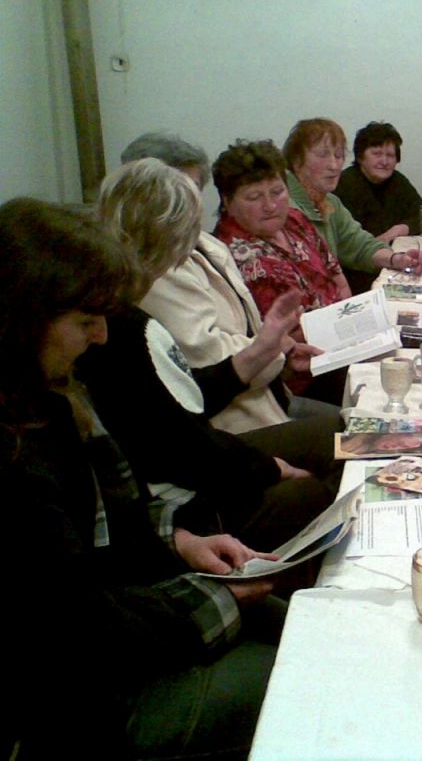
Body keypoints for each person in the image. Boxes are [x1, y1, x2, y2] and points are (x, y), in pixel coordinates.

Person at [1, 198, 279, 759]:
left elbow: (109, 525)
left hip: (114, 633)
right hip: (82, 704)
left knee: (296, 623)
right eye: (85, 321)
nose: (102, 336)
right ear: (24, 321)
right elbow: (81, 630)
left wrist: (181, 542)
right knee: (302, 677)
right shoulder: (15, 459)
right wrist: (220, 601)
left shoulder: (48, 397)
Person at [84, 159, 345, 553]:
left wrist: (268, 346)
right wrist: (268, 466)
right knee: (332, 472)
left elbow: (187, 402)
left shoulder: (126, 304)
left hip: (209, 447)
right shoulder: (123, 324)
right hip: (192, 495)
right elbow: (180, 444)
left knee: (344, 435)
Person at [121, 132, 326, 433]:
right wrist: (274, 347)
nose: (189, 200)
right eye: (177, 189)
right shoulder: (157, 267)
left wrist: (281, 350)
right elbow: (208, 355)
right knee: (354, 433)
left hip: (270, 395)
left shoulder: (206, 244)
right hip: (237, 419)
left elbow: (247, 330)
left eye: (193, 188)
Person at [212, 138, 351, 399]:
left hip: (343, 343)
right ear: (227, 202)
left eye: (277, 192)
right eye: (254, 197)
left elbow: (336, 274)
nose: (270, 206)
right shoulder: (233, 255)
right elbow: (281, 337)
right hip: (302, 375)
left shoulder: (294, 220)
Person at [283, 117, 422, 294]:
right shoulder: (282, 207)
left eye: (338, 155)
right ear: (297, 160)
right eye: (323, 155)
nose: (334, 165)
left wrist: (396, 259)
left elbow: (359, 245)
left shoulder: (330, 202)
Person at [334, 121, 422, 243]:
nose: (384, 161)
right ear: (360, 157)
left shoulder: (398, 181)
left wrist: (400, 229)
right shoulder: (343, 184)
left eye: (390, 155)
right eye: (376, 154)